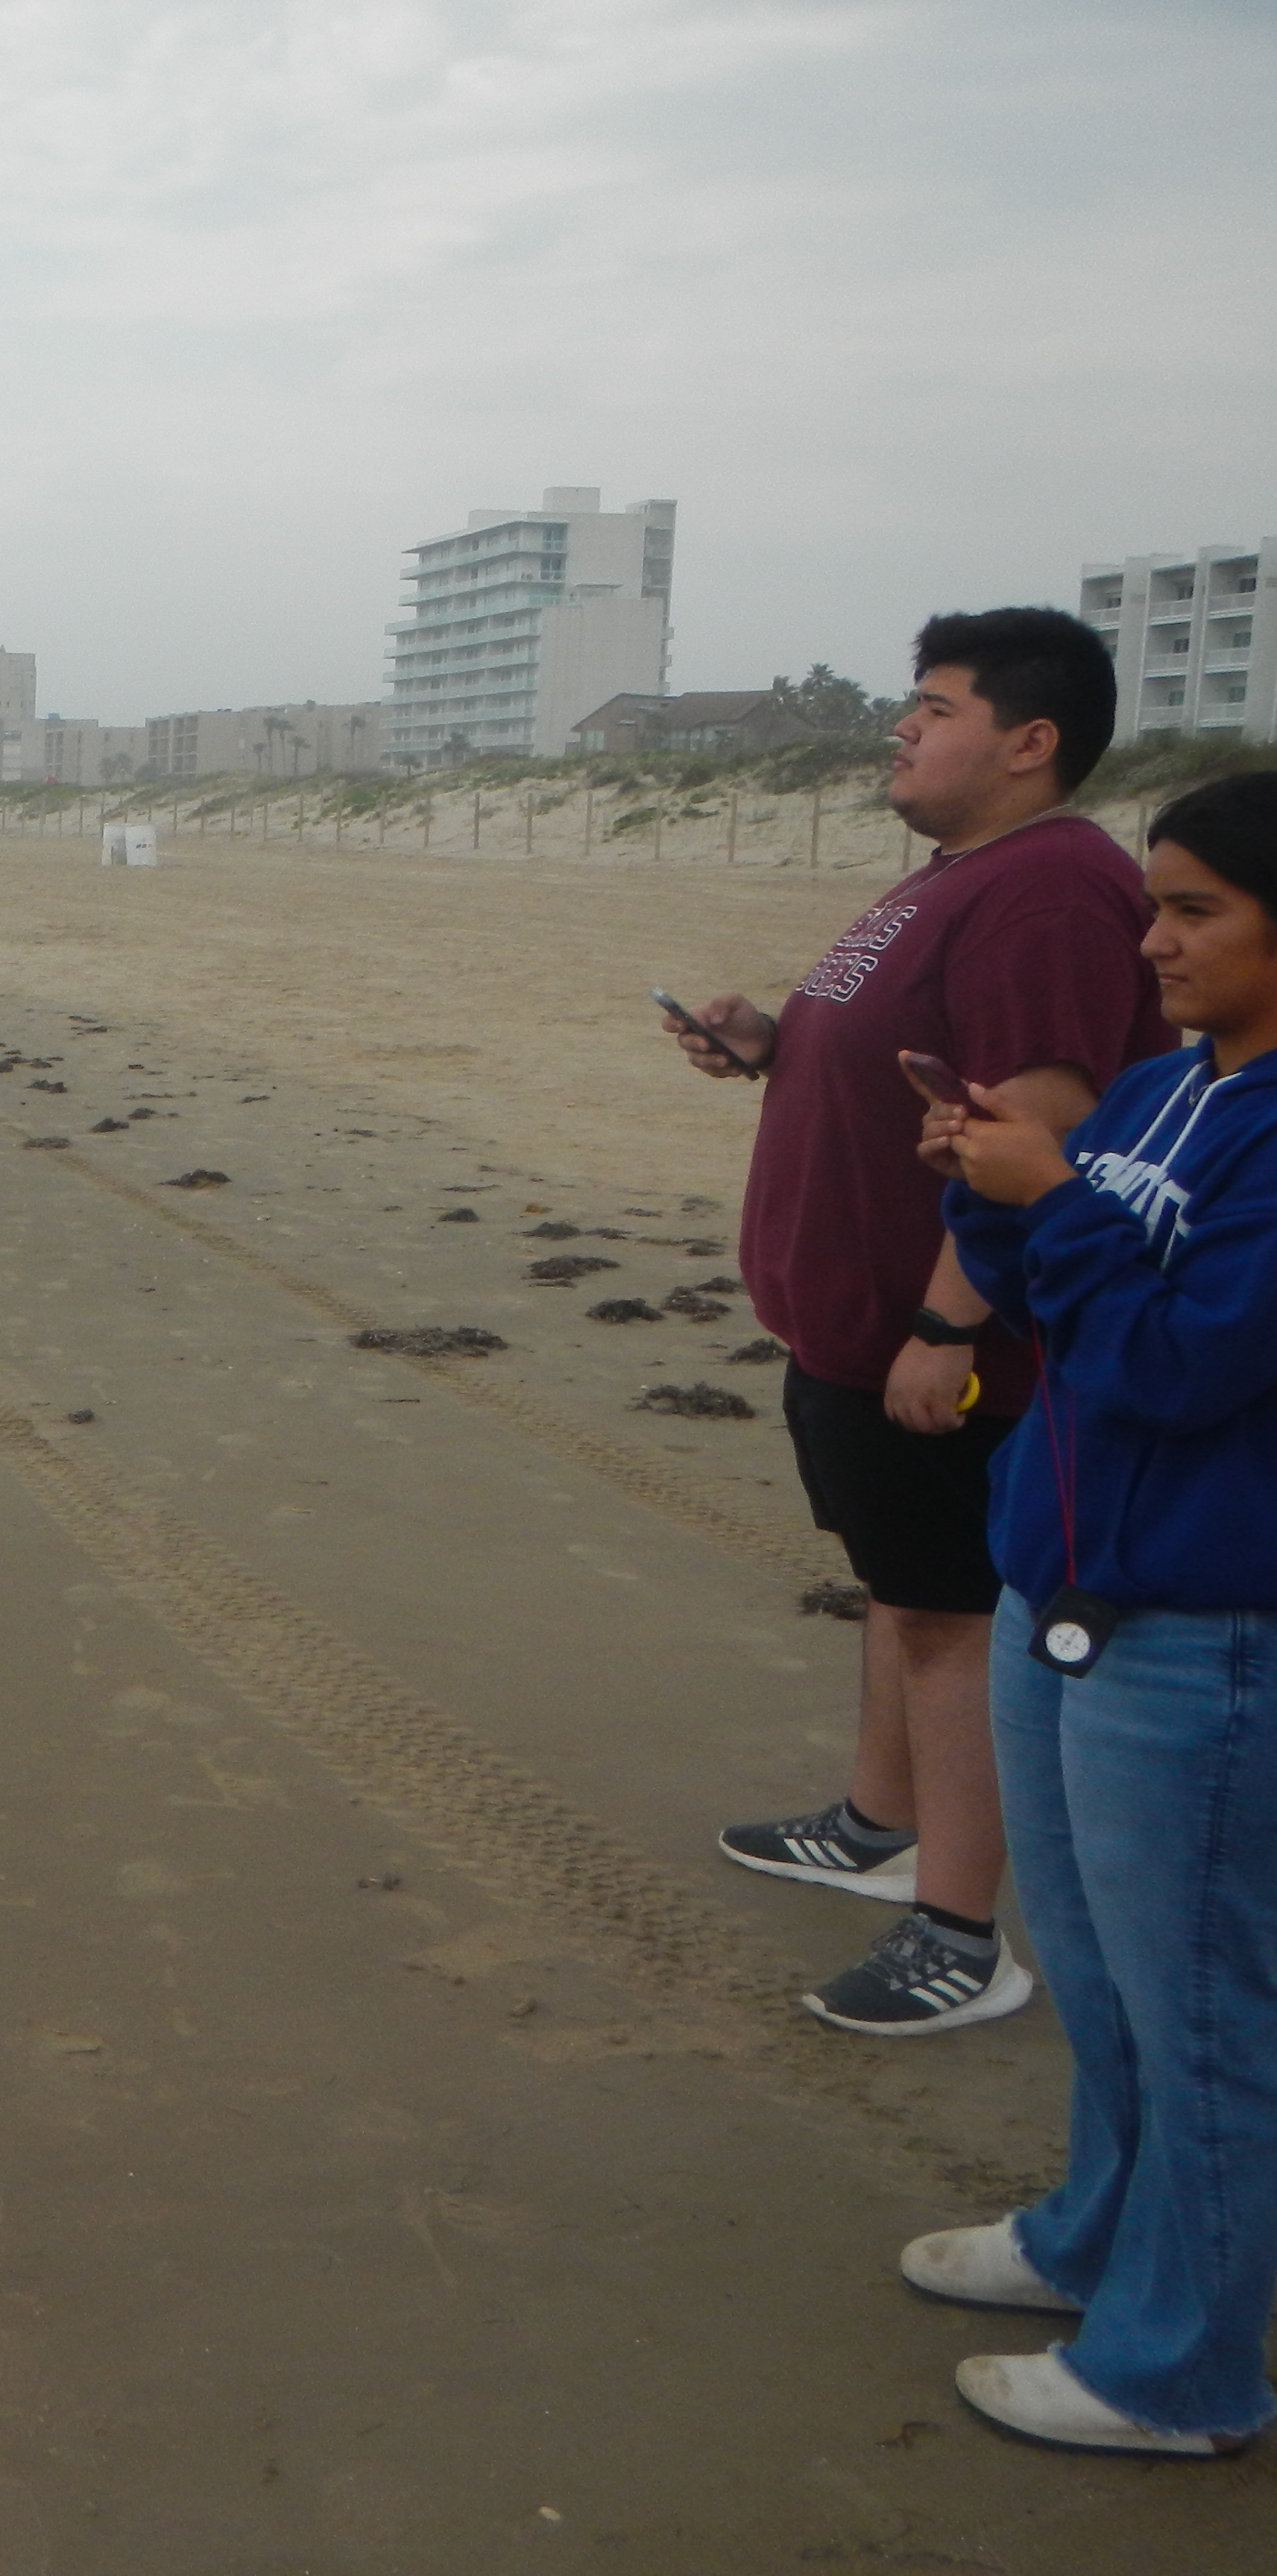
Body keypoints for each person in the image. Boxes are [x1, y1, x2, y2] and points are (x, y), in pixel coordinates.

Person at [666, 610, 1166, 2033]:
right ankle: (877, 1823)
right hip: (857, 1325)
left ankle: (960, 1933)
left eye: (936, 709)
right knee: (903, 1589)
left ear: (1029, 741)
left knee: (955, 1620)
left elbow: (1039, 1116)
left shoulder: (1052, 889)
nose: (904, 727)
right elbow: (917, 1070)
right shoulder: (958, 875)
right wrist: (772, 1048)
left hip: (946, 1342)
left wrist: (949, 1327)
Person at [903, 769, 1277, 2455]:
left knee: (1202, 2009)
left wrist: (1054, 1200)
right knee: (1110, 1984)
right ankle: (1099, 2244)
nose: (1156, 942)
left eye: (1196, 909)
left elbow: (1182, 1365)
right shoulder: (1160, 1086)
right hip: (1064, 1588)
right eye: (1156, 905)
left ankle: (1178, 2374)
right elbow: (1056, 1302)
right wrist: (986, 1178)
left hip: (1207, 1627)